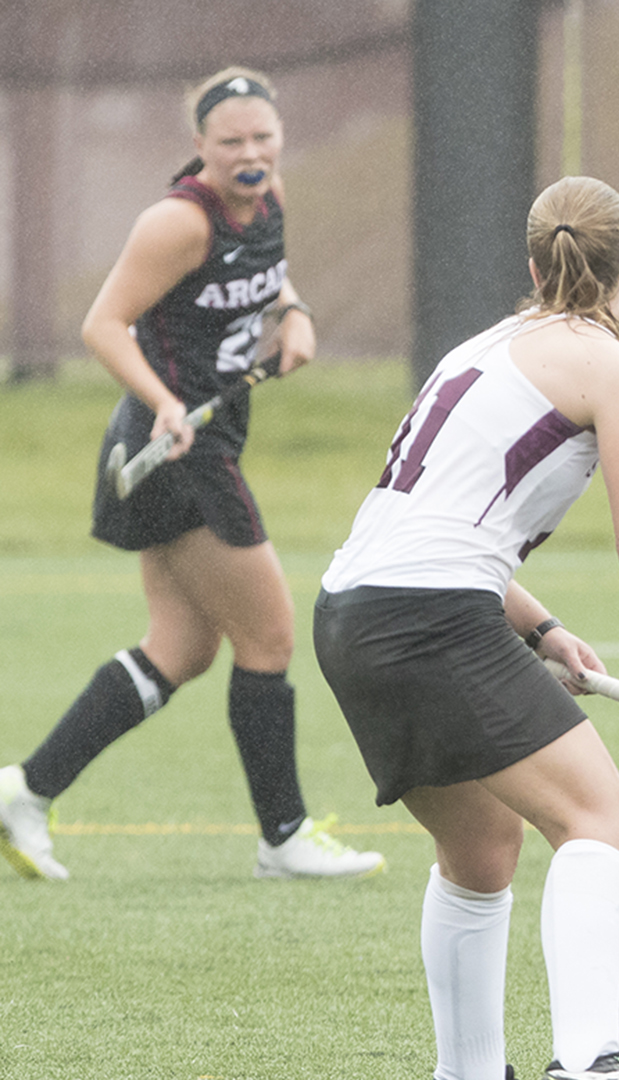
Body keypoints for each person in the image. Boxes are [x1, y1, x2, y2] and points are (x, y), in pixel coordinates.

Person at [312, 175, 619, 1080]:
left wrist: (541, 624)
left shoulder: (478, 349)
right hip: (429, 616)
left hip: (351, 612)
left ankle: (468, 1073)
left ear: (533, 265)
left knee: (480, 849)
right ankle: (591, 1063)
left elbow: (430, 517)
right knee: (604, 826)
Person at [0, 68, 383, 882]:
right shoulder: (177, 221)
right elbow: (102, 325)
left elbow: (268, 272)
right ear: (200, 146)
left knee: (179, 647)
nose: (250, 155)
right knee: (271, 635)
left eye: (263, 139)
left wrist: (297, 314)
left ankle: (24, 792)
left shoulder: (269, 196)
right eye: (232, 143)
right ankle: (283, 837)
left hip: (211, 437)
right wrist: (166, 403)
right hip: (176, 451)